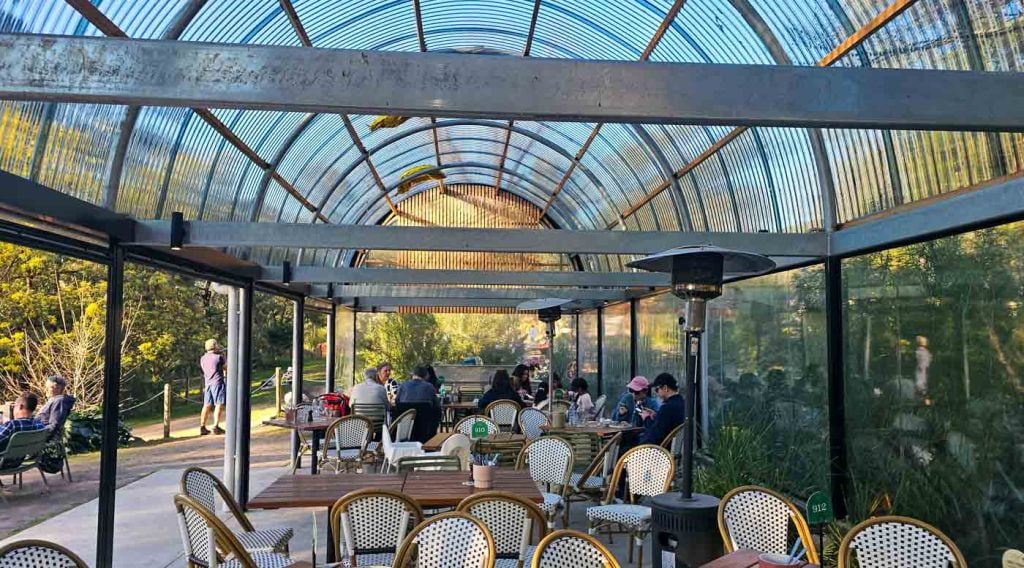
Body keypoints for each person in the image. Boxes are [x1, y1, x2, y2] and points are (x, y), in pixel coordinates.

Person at [0, 392, 46, 466]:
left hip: (3, 462)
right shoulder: (40, 425)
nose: (13, 410)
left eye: (13, 407)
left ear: (20, 406)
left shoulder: (12, 425)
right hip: (18, 462)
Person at [639, 373, 686, 445]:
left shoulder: (667, 408)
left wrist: (646, 418)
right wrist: (656, 416)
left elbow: (655, 435)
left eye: (657, 390)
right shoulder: (682, 403)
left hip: (660, 450)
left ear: (665, 388)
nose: (657, 393)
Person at [199, 338, 226, 435]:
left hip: (208, 384)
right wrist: (224, 357)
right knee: (219, 404)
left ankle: (202, 426)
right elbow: (226, 368)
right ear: (214, 346)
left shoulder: (203, 358)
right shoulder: (219, 357)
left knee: (206, 405)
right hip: (217, 382)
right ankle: (216, 425)